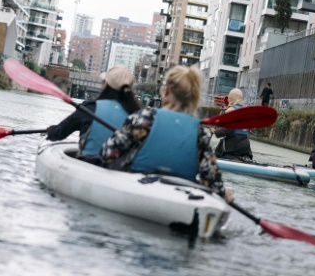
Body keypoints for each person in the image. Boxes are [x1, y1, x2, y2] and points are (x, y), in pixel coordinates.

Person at [99, 65, 233, 203]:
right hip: (180, 199)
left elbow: (107, 154)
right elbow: (212, 182)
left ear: (166, 91)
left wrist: (118, 135)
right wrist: (223, 194)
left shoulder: (145, 118)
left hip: (137, 191)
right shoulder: (200, 133)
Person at [45, 66, 141, 158]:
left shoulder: (89, 108)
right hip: (119, 168)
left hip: (88, 163)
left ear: (106, 84)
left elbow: (59, 133)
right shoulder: (137, 114)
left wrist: (51, 131)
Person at [212, 88, 253, 160]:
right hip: (246, 146)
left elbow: (227, 130)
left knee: (217, 151)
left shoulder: (231, 110)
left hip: (234, 144)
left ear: (231, 97)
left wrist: (215, 132)